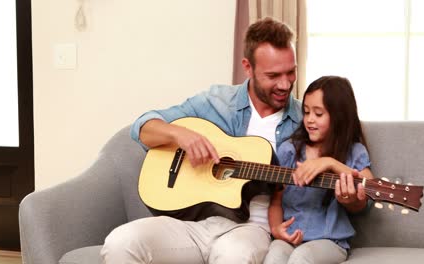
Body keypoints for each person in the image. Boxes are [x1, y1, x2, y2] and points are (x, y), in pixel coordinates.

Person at [100, 17, 301, 264]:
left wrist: (351, 195)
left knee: (232, 255)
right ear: (247, 67)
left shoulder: (306, 121)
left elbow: (341, 174)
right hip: (193, 225)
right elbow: (142, 127)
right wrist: (180, 134)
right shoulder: (216, 102)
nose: (285, 83)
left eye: (291, 72)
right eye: (273, 75)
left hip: (250, 231)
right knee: (121, 243)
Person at [263, 75, 374, 264]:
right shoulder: (289, 150)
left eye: (318, 114)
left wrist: (330, 163)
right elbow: (276, 200)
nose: (310, 120)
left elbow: (370, 190)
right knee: (273, 256)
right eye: (306, 112)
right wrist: (276, 229)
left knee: (301, 258)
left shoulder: (354, 152)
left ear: (339, 116)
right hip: (291, 236)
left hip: (329, 241)